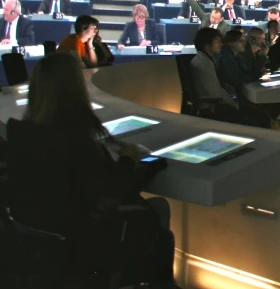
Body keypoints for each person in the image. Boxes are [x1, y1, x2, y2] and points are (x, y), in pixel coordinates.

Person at [0, 53, 175, 287]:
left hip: (30, 242)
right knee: (159, 208)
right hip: (79, 243)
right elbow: (108, 194)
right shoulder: (76, 142)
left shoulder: (18, 132)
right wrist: (127, 161)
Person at [190, 28, 266, 127]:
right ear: (207, 44)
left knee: (259, 115)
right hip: (213, 107)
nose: (221, 43)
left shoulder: (206, 59)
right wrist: (234, 103)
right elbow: (215, 92)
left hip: (218, 102)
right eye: (217, 40)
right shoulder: (204, 63)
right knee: (258, 119)